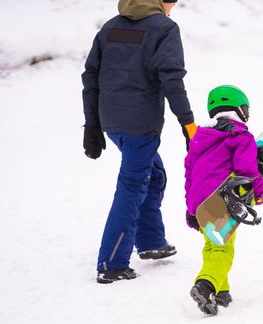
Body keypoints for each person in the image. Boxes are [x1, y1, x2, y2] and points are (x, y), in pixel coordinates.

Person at [81, 0, 197, 284]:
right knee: (132, 186)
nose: (173, 7)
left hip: (112, 122)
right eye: (172, 1)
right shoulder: (164, 28)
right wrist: (188, 123)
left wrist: (93, 124)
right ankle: (111, 263)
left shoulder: (111, 28)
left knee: (153, 174)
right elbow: (172, 78)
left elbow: (90, 77)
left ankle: (151, 241)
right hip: (141, 126)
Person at [184, 85, 263, 315]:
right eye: (246, 110)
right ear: (239, 110)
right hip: (222, 199)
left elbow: (189, 174)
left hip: (199, 201)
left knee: (213, 244)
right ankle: (206, 285)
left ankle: (221, 291)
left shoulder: (199, 139)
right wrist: (260, 191)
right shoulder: (241, 137)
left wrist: (191, 209)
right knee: (222, 249)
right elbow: (247, 170)